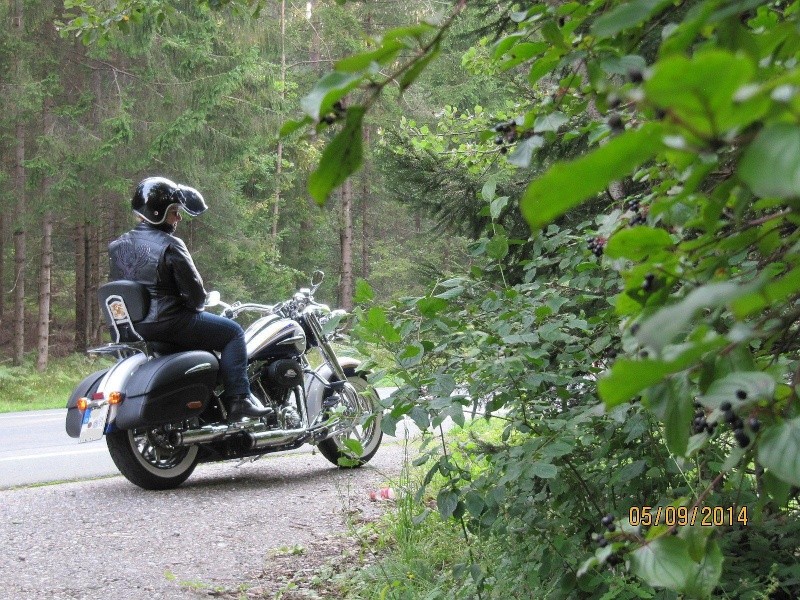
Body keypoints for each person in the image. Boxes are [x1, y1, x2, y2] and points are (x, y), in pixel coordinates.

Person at [108, 176, 272, 422]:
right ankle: (240, 399)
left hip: (135, 328)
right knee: (233, 333)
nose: (179, 218)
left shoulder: (117, 245)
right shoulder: (170, 244)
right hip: (171, 322)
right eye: (174, 212)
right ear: (158, 213)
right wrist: (198, 303)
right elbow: (195, 295)